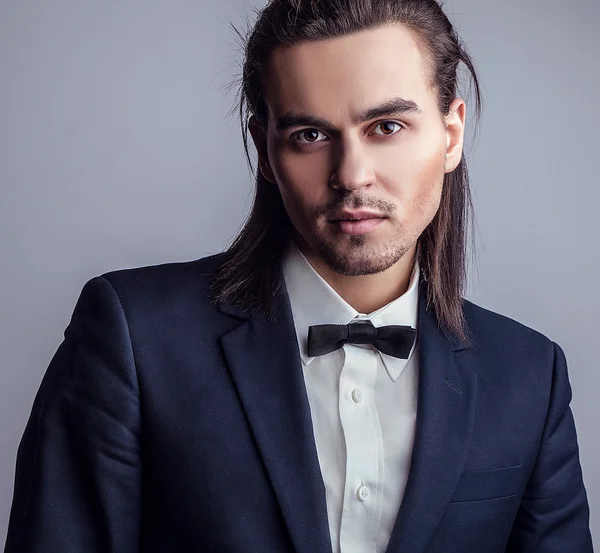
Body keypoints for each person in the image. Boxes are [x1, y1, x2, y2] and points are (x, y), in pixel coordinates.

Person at [4, 0, 593, 551]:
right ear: (265, 149)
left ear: (451, 134)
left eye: (387, 126)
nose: (352, 175)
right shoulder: (133, 337)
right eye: (310, 135)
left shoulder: (529, 376)